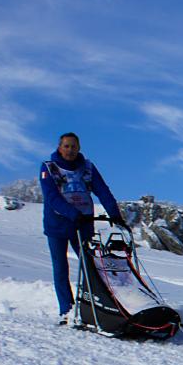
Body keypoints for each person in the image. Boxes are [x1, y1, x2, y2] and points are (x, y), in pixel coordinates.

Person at [40, 132, 128, 325]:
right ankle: (67, 310)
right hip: (58, 225)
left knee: (91, 266)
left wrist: (115, 214)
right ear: (59, 147)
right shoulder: (49, 168)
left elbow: (102, 190)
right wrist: (72, 214)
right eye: (66, 146)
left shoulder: (87, 168)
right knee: (61, 267)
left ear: (79, 148)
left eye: (73, 146)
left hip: (84, 223)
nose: (70, 150)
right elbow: (52, 197)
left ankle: (96, 305)